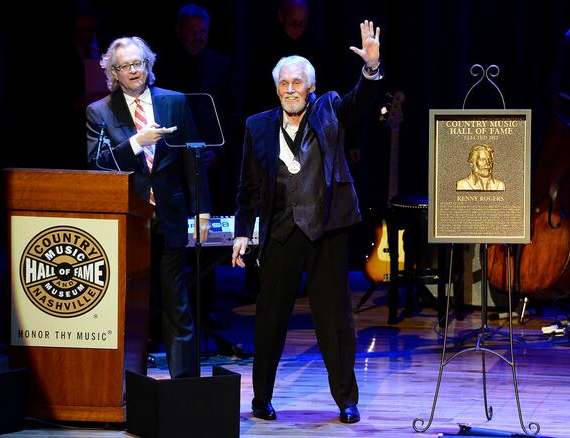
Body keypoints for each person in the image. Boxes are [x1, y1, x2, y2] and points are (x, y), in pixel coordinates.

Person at [231, 20, 383, 424]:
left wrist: (370, 69)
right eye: (284, 83)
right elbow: (246, 185)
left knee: (334, 319)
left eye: (298, 82)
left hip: (326, 230)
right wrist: (242, 232)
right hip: (280, 232)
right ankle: (261, 398)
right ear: (276, 88)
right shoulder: (257, 126)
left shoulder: (330, 108)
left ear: (310, 87)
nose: (291, 89)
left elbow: (361, 102)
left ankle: (345, 400)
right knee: (270, 319)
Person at [85, 36, 211, 378]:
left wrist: (201, 209)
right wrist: (137, 143)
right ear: (113, 72)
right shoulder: (99, 111)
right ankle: (124, 385)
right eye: (124, 67)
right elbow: (98, 164)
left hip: (170, 214)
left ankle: (185, 386)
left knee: (178, 304)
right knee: (129, 306)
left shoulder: (175, 102)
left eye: (138, 64)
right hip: (129, 220)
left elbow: (193, 158)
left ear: (148, 65)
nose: (133, 71)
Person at [156, 4, 243, 331]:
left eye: (204, 32)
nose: (198, 37)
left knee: (209, 239)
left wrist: (218, 153)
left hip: (212, 168)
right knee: (174, 240)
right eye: (193, 31)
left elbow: (234, 115)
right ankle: (168, 313)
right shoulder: (162, 66)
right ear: (178, 30)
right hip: (172, 169)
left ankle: (206, 308)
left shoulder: (221, 65)